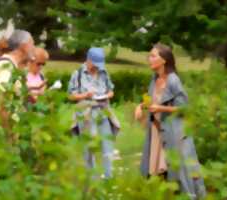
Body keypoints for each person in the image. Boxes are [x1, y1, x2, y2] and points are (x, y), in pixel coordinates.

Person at [134, 43, 206, 199]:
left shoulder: (173, 80)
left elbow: (184, 108)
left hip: (174, 133)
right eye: (149, 55)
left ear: (164, 60)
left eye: (153, 56)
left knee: (179, 173)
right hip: (157, 132)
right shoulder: (154, 79)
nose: (149, 59)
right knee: (159, 173)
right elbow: (150, 101)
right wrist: (140, 106)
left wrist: (161, 109)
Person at [68, 47, 119, 178]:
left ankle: (109, 177)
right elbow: (71, 96)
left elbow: (111, 90)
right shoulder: (78, 73)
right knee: (88, 148)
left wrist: (107, 95)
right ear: (88, 60)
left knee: (107, 145)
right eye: (95, 64)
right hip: (85, 114)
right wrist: (85, 95)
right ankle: (92, 179)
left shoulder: (104, 72)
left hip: (102, 111)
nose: (97, 67)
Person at [0, 29, 35, 143]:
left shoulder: (13, 67)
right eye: (32, 45)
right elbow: (1, 103)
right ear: (24, 46)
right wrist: (8, 136)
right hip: (4, 137)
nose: (34, 49)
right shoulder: (5, 67)